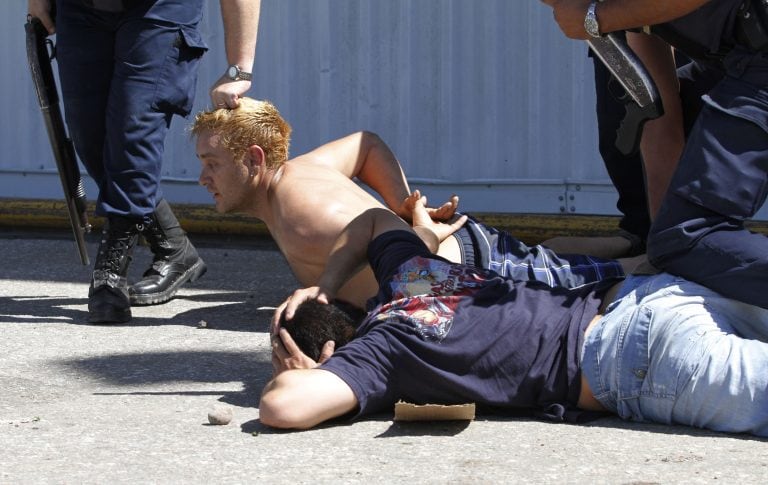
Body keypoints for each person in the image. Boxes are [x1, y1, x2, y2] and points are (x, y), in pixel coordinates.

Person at [261, 200, 768, 437]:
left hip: (634, 362)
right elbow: (374, 221)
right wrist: (323, 284)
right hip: (647, 296)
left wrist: (303, 373)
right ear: (348, 306)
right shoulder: (410, 275)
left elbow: (283, 409)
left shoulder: (380, 353)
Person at [192, 98, 638, 309]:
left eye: (212, 163)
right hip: (465, 250)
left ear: (254, 160)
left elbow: (411, 266)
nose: (202, 178)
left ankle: (661, 257)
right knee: (551, 256)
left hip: (465, 270)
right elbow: (367, 144)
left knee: (607, 283)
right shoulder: (302, 169)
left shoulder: (301, 214)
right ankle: (634, 242)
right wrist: (404, 203)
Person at [26, 0, 261, 323]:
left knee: (132, 133)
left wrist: (239, 68)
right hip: (80, 9)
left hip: (160, 10)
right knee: (91, 140)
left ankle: (110, 276)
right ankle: (174, 247)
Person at [543, 0, 768, 311]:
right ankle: (660, 242)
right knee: (679, 240)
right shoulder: (624, 11)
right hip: (746, 58)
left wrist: (596, 18)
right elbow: (659, 115)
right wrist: (665, 246)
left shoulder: (605, 11)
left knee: (694, 234)